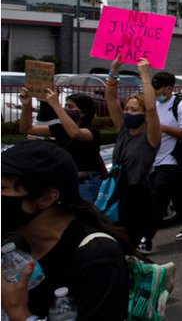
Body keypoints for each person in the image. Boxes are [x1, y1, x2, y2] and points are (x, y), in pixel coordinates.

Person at [1, 140, 131, 320]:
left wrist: (18, 312)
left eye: (2, 188)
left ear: (46, 198)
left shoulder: (97, 255)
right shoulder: (13, 244)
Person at [104, 57, 162, 249]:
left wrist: (145, 74)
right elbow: (111, 100)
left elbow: (152, 108)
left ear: (144, 115)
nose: (128, 113)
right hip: (116, 188)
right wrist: (114, 70)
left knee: (128, 243)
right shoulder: (123, 129)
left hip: (137, 194)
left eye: (134, 110)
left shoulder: (150, 135)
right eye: (127, 109)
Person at [142, 71, 182, 253]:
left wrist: (163, 128)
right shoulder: (152, 106)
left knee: (156, 200)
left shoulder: (181, 106)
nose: (155, 91)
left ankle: (145, 239)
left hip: (172, 160)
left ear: (169, 88)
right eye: (153, 87)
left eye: (158, 88)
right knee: (179, 196)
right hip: (156, 159)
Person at [18, 88, 104, 203]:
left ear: (83, 113)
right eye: (65, 106)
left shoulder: (91, 131)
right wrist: (26, 104)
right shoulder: (61, 129)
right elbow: (26, 128)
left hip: (85, 183)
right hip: (65, 181)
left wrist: (56, 105)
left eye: (70, 107)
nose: (66, 109)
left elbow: (75, 134)